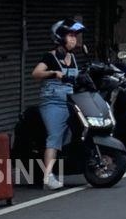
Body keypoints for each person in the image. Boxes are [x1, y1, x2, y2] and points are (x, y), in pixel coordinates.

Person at [31, 19, 85, 190]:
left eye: (75, 36)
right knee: (54, 137)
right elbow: (36, 73)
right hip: (52, 103)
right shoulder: (50, 56)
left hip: (70, 101)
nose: (74, 39)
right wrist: (54, 73)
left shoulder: (73, 57)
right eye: (70, 35)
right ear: (60, 37)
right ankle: (48, 177)